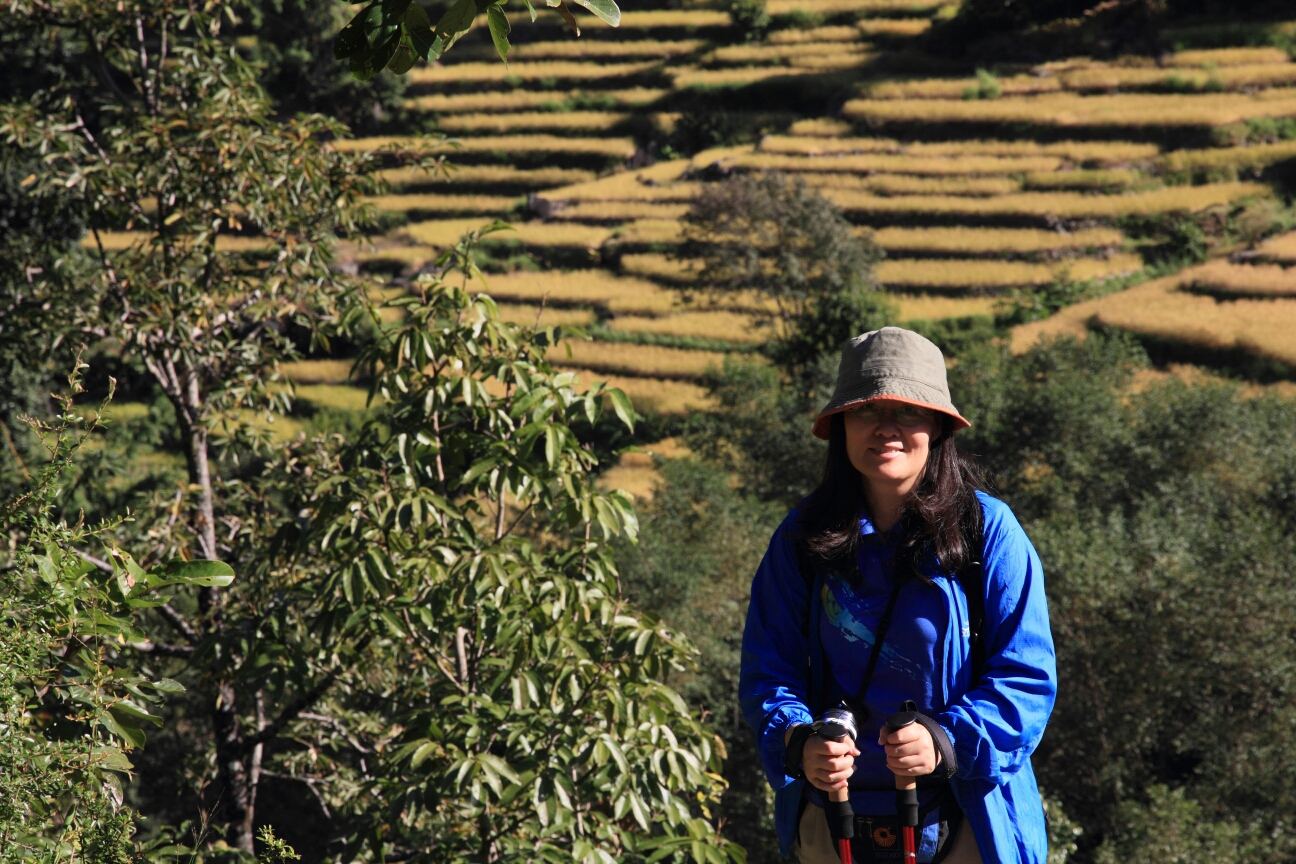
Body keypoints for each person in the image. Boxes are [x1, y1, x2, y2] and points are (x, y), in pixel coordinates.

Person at [739, 327, 1057, 864]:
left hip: (970, 822)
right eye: (867, 412)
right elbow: (768, 671)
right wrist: (799, 741)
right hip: (832, 823)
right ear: (840, 426)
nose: (887, 429)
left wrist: (945, 741)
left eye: (907, 412)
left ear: (936, 425)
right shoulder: (800, 540)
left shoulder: (989, 533)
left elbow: (1026, 679)